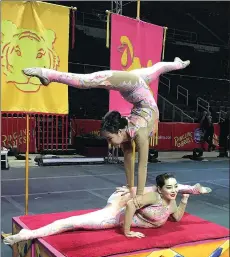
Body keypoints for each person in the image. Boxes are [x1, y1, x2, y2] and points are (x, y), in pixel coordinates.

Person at [23, 57, 190, 203]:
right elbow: (134, 163)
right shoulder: (136, 134)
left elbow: (141, 166)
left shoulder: (130, 134)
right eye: (109, 140)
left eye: (109, 138)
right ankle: (48, 74)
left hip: (137, 89)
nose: (109, 144)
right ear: (120, 132)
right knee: (90, 80)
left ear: (119, 132)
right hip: (136, 87)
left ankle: (178, 64)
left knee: (157, 68)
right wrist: (132, 189)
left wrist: (137, 194)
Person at [3, 173, 211, 245]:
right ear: (160, 188)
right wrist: (127, 231)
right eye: (170, 187)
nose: (173, 191)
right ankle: (26, 235)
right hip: (116, 211)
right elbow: (130, 205)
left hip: (133, 198)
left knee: (148, 191)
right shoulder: (154, 195)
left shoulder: (171, 199)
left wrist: (185, 200)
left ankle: (192, 188)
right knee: (70, 223)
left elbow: (176, 218)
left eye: (176, 187)